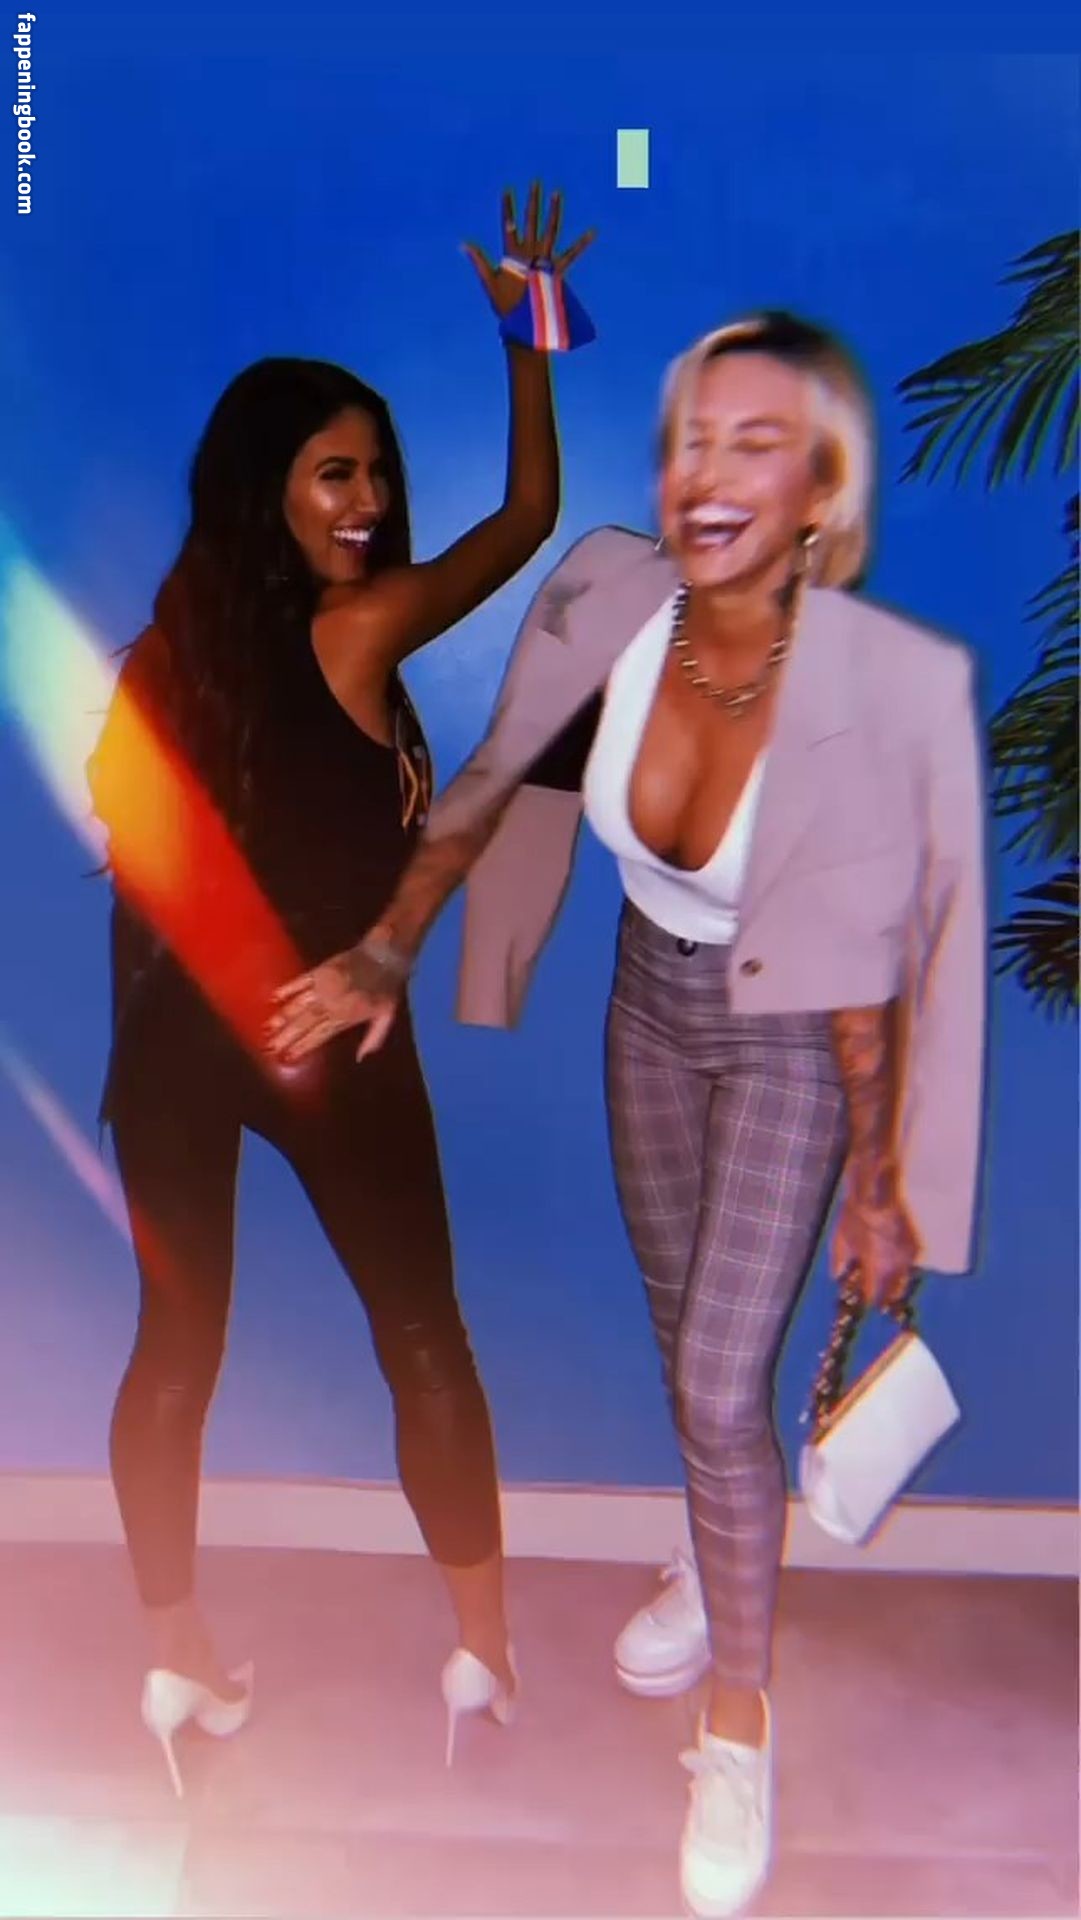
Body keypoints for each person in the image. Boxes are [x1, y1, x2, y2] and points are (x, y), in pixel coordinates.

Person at [269, 309, 987, 1916]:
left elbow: (890, 966)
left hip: (797, 1034)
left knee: (726, 1385)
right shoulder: (605, 591)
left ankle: (737, 1728)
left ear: (823, 490)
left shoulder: (875, 690)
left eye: (754, 443)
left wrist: (883, 1181)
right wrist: (389, 946)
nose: (703, 473)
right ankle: (715, 1558)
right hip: (646, 1012)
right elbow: (487, 780)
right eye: (687, 437)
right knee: (686, 1350)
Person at [86, 183, 597, 1798]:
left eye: (375, 470)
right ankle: (482, 1656)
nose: (369, 502)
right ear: (271, 492)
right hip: (321, 1032)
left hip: (172, 1047)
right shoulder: (359, 629)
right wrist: (528, 330)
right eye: (334, 474)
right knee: (422, 1334)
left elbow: (132, 847)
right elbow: (528, 519)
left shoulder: (166, 658)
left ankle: (175, 1662)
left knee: (174, 1351)